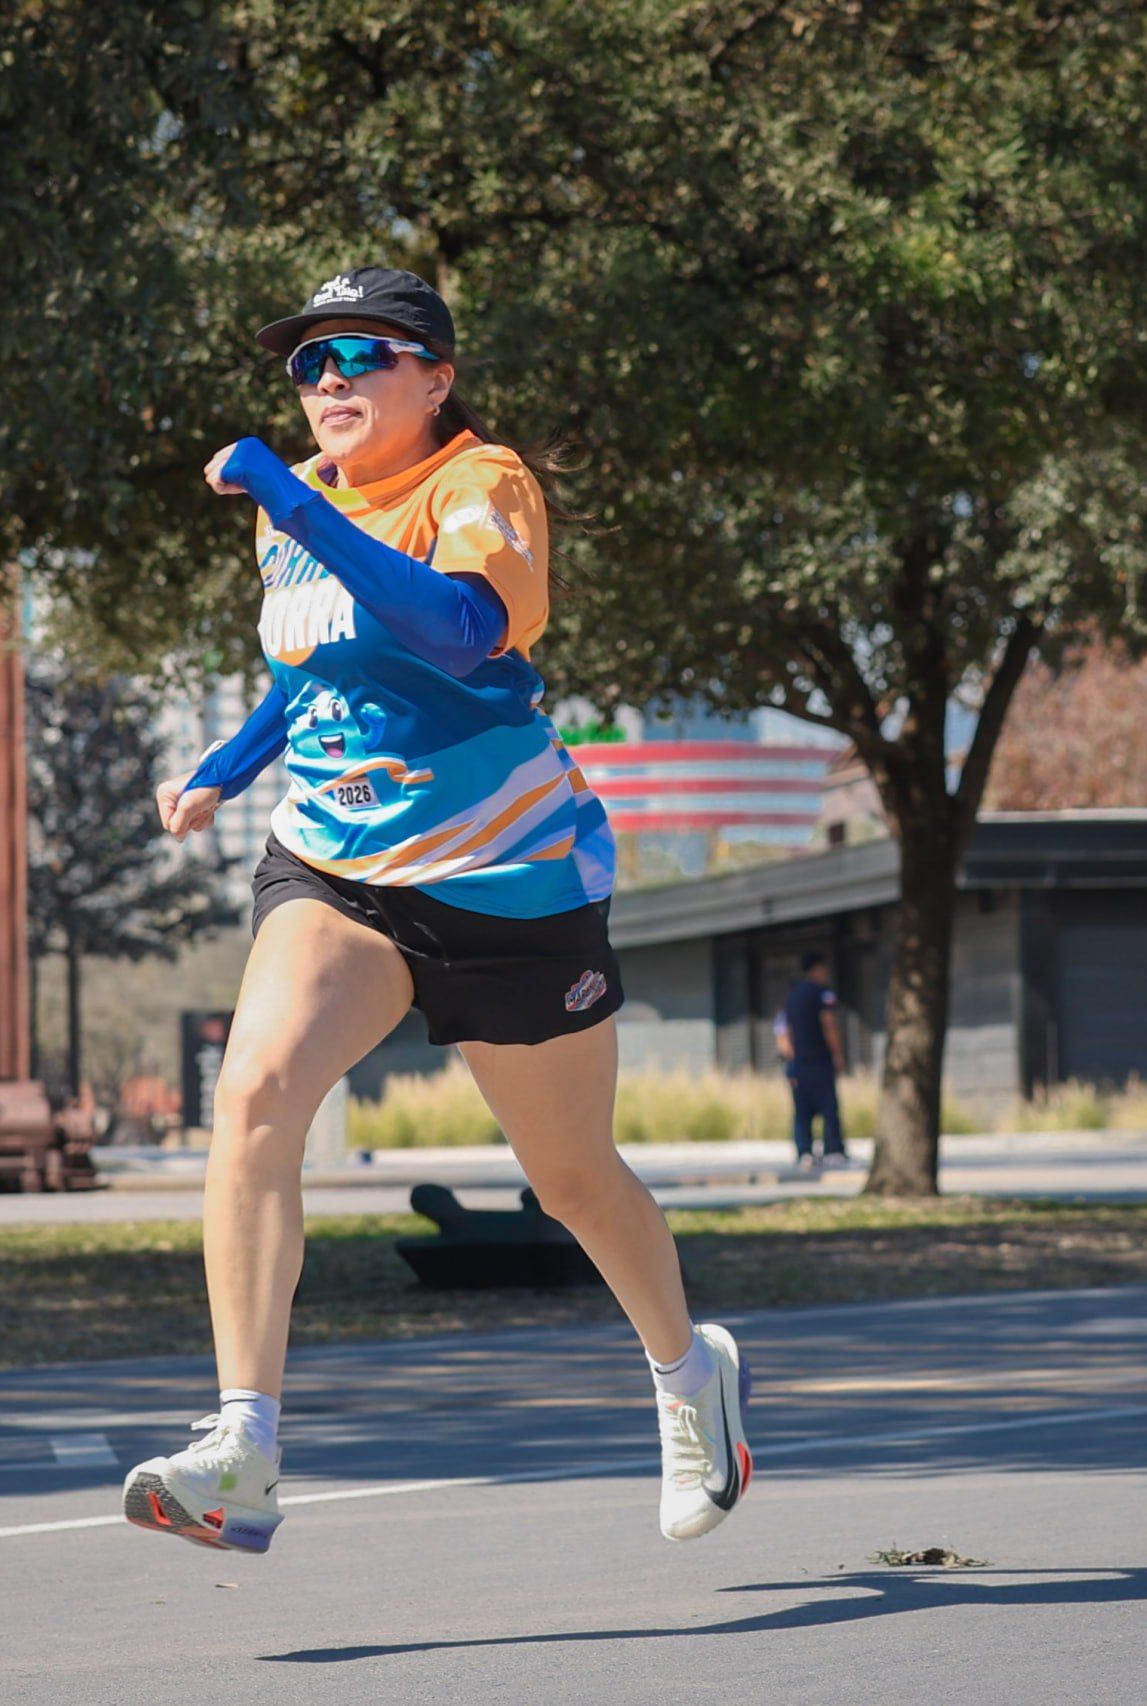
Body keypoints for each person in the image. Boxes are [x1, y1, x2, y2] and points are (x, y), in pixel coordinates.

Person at [122, 267, 752, 1555]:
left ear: (436, 376)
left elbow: (461, 631)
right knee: (250, 1101)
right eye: (308, 363)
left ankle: (692, 1380)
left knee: (571, 1176)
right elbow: (316, 669)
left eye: (362, 353)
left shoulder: (482, 484)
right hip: (339, 872)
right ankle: (242, 1448)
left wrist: (293, 494)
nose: (330, 381)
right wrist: (225, 771)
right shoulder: (295, 512)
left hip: (508, 880)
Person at [776, 951, 849, 1169]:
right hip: (819, 1060)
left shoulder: (793, 995)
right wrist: (838, 1056)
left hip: (798, 1063)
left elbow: (784, 1034)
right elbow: (829, 1026)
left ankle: (804, 1152)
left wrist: (792, 1061)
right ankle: (834, 1150)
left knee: (802, 1111)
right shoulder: (821, 994)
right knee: (829, 1108)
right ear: (817, 969)